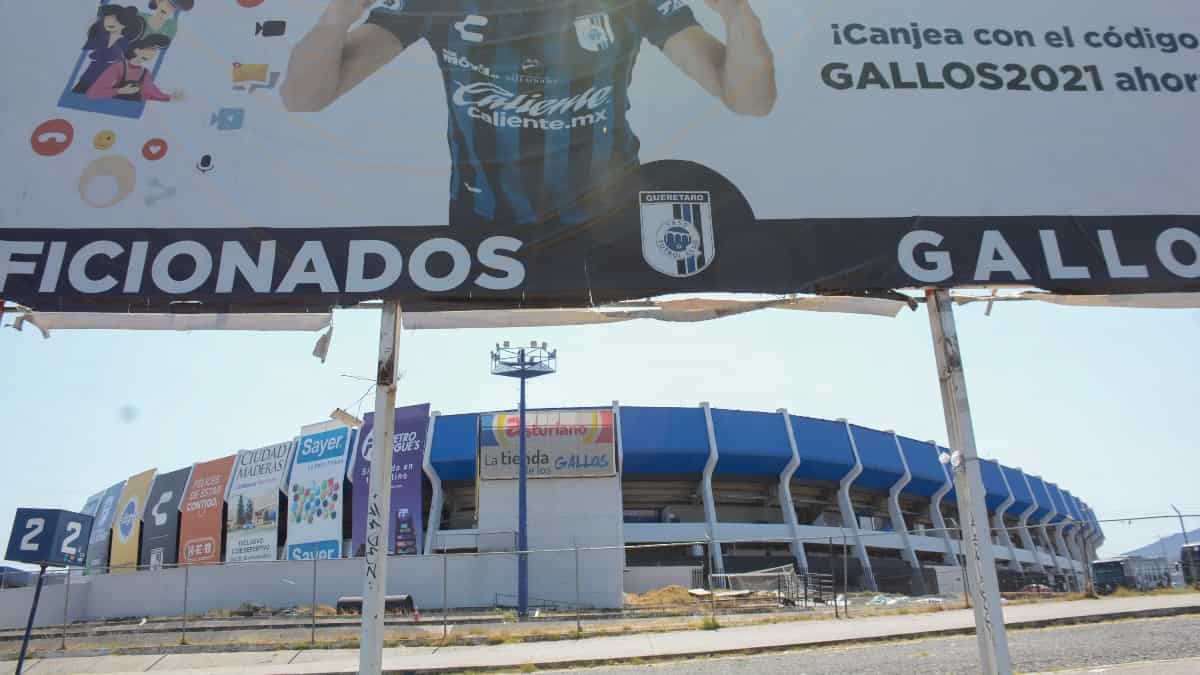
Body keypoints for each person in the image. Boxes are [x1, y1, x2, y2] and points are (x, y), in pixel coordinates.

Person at [282, 0, 775, 228]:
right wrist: (336, 17)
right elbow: (304, 96)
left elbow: (750, 100)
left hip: (608, 218)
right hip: (483, 218)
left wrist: (737, 14)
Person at [86, 34, 184, 102]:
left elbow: (150, 94)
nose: (153, 53)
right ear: (137, 50)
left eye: (155, 50)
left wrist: (170, 98)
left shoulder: (145, 73)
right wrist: (119, 91)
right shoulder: (118, 67)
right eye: (151, 48)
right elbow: (92, 93)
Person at [73, 5, 144, 94]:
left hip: (109, 79)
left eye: (115, 19)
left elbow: (130, 61)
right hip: (89, 75)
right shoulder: (100, 37)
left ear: (125, 23)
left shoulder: (125, 43)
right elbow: (85, 49)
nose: (110, 22)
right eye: (107, 18)